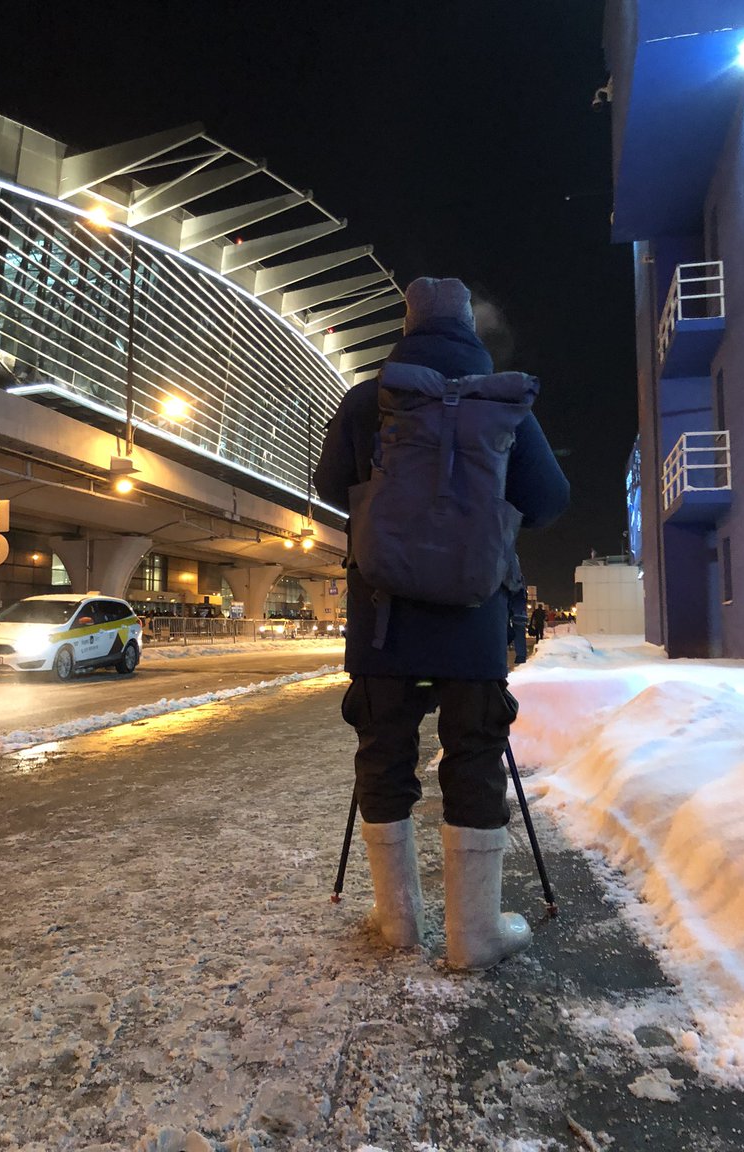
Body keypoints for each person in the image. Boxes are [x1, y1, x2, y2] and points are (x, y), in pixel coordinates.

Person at [314, 277, 569, 969]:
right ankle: (474, 935)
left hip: (382, 620)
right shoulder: (501, 399)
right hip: (475, 619)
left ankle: (397, 922)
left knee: (383, 755)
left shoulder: (370, 399)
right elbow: (548, 500)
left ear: (408, 323)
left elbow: (328, 485)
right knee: (475, 758)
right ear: (469, 327)